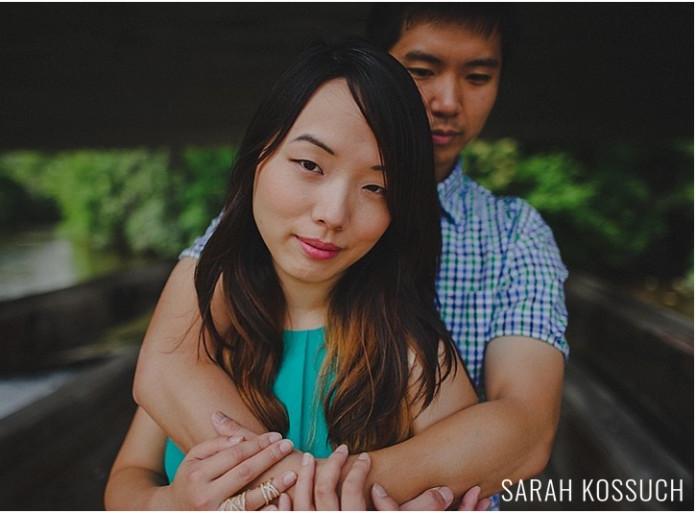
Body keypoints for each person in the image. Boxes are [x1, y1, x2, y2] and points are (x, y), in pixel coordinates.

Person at [133, 3, 569, 508]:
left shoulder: (511, 240)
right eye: (422, 71)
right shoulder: (265, 230)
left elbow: (526, 429)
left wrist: (322, 489)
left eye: (477, 76)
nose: (447, 100)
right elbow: (167, 365)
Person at [105, 38, 481, 510]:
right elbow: (127, 480)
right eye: (309, 165)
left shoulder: (408, 350)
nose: (333, 213)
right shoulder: (204, 326)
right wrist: (175, 504)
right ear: (259, 156)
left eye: (376, 187)